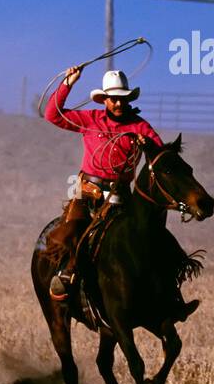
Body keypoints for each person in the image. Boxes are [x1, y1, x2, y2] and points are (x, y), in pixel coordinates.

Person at [43, 66, 195, 318]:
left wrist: (148, 147)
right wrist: (68, 83)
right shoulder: (90, 119)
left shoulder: (139, 126)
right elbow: (53, 115)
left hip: (122, 194)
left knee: (157, 237)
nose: (118, 102)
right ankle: (67, 274)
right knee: (73, 230)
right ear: (104, 100)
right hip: (88, 191)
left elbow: (160, 157)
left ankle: (171, 295)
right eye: (113, 98)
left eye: (122, 98)